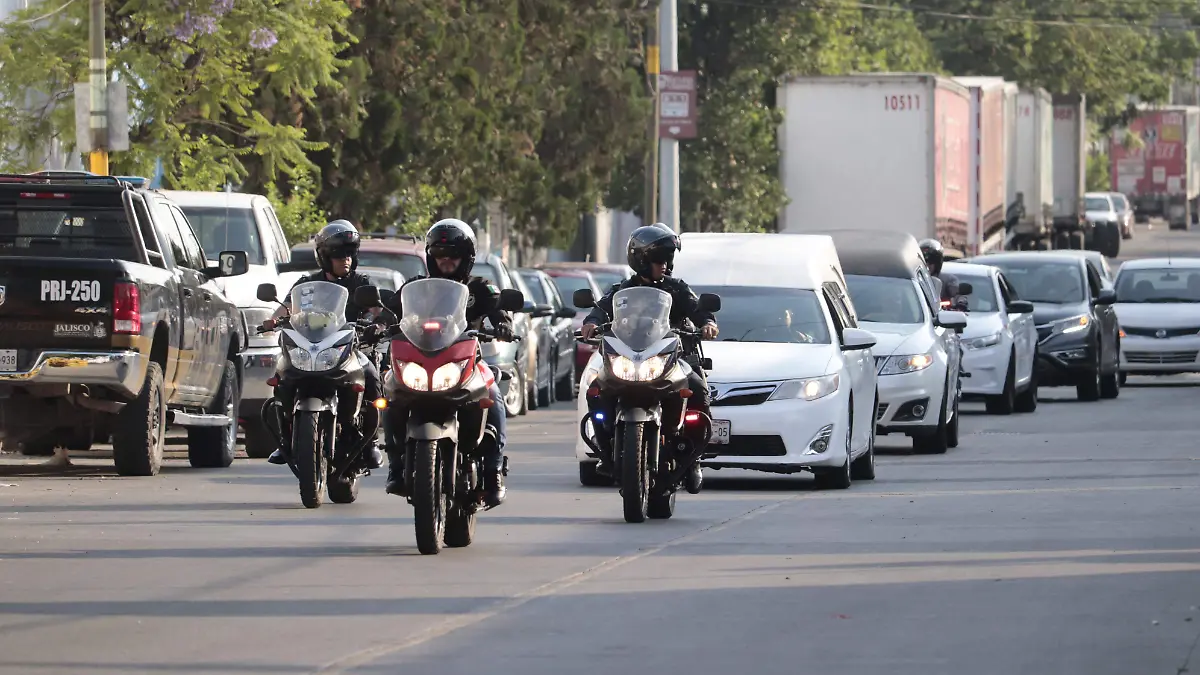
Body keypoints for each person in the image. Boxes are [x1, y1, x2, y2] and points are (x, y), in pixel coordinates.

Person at [381, 218, 515, 508]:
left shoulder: (481, 289)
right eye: (440, 256)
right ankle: (395, 464)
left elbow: (499, 308)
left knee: (493, 395)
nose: (446, 262)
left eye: (452, 256)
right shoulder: (416, 287)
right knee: (390, 393)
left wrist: (503, 324)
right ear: (431, 257)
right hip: (421, 361)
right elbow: (392, 310)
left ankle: (493, 472)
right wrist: (378, 322)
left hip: (466, 362)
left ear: (466, 258)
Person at [579, 223, 718, 487]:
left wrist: (707, 323)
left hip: (672, 357)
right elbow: (600, 309)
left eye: (667, 259)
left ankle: (693, 458)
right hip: (629, 357)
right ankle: (606, 447)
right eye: (658, 259)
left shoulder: (677, 289)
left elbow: (697, 309)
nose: (664, 265)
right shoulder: (620, 290)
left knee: (698, 389)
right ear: (641, 260)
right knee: (595, 390)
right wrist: (591, 323)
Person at [262, 220, 386, 470]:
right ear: (324, 257)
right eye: (339, 255)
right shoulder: (306, 284)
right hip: (311, 348)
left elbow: (378, 310)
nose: (345, 260)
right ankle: (286, 439)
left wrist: (380, 324)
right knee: (281, 375)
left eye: (350, 254)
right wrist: (272, 320)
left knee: (371, 375)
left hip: (351, 349)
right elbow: (287, 306)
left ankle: (370, 442)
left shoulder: (361, 281)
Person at [918, 238, 965, 310]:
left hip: (942, 316)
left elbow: (957, 295)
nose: (927, 266)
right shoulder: (914, 280)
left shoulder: (948, 280)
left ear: (937, 264)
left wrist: (960, 301)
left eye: (931, 263)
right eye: (924, 262)